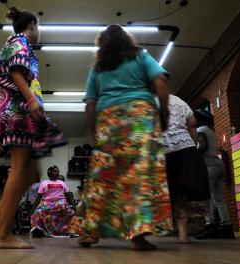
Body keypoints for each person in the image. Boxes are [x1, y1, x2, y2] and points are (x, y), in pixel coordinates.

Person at [71, 25, 173, 250]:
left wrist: (96, 132)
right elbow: (161, 81)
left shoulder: (98, 67)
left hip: (109, 121)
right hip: (141, 119)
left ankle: (90, 231)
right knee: (140, 175)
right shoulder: (140, 57)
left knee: (103, 176)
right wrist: (164, 113)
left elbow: (90, 104)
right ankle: (138, 235)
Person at [0, 7, 66, 249]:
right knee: (19, 170)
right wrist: (31, 99)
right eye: (39, 27)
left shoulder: (15, 42)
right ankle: (1, 234)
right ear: (32, 25)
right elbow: (17, 71)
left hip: (15, 111)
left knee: (31, 174)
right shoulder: (21, 41)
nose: (39, 32)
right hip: (17, 111)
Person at [163, 95, 210, 243]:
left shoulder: (146, 101)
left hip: (162, 150)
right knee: (184, 193)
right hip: (185, 148)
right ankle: (183, 233)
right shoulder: (178, 100)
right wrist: (193, 143)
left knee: (169, 192)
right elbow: (192, 124)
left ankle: (173, 229)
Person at [194, 109, 235, 239]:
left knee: (206, 196)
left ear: (200, 119)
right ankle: (227, 227)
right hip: (218, 163)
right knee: (219, 198)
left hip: (209, 165)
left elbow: (202, 147)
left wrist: (192, 154)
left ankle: (210, 225)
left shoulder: (201, 129)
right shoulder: (212, 131)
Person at [31, 166, 75, 237]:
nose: (57, 172)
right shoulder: (44, 183)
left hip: (60, 202)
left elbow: (69, 195)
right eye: (55, 171)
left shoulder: (62, 183)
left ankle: (64, 230)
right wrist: (33, 208)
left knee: (68, 210)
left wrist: (74, 206)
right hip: (47, 203)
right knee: (38, 212)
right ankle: (39, 231)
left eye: (57, 171)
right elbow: (39, 197)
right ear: (50, 173)